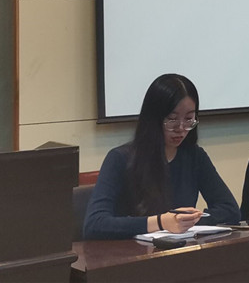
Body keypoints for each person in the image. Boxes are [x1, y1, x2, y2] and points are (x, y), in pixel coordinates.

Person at [83, 74, 239, 240]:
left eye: (188, 119)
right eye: (172, 119)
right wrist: (160, 222)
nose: (181, 128)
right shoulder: (120, 158)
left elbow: (230, 210)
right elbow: (94, 224)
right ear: (154, 118)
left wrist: (185, 221)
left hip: (179, 249)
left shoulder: (194, 156)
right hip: (130, 252)